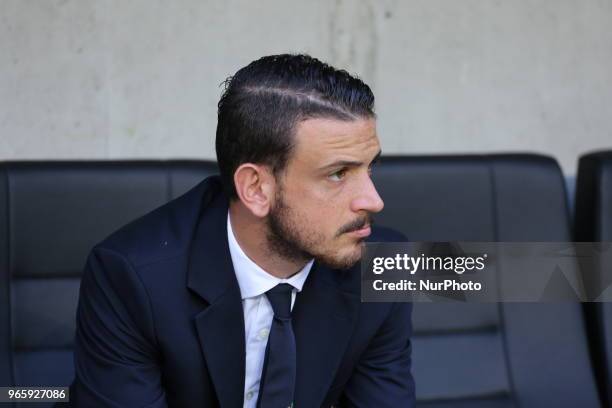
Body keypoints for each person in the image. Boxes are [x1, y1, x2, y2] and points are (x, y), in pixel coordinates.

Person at [70, 54, 415, 407]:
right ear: (256, 188)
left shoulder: (385, 264)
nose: (373, 201)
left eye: (370, 168)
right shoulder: (129, 275)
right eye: (338, 174)